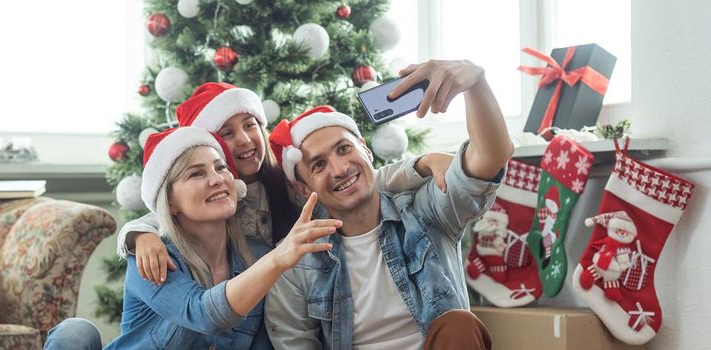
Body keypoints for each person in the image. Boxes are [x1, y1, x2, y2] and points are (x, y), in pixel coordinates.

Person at [265, 59, 513, 350]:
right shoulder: (295, 263)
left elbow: (489, 159)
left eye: (344, 149)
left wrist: (476, 83)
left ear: (366, 151)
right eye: (319, 165)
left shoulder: (424, 212)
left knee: (458, 324)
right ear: (303, 188)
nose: (340, 169)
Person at [118, 82, 454, 285]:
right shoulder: (214, 195)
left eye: (250, 125)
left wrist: (421, 164)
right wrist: (141, 236)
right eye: (227, 133)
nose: (246, 140)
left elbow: (367, 180)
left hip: (300, 289)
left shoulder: (288, 181)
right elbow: (159, 214)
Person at [45, 126, 340, 349]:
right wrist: (279, 258)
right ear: (170, 202)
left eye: (220, 167)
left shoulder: (258, 256)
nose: (216, 179)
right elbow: (203, 314)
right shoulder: (153, 257)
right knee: (75, 332)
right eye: (196, 174)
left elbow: (263, 341)